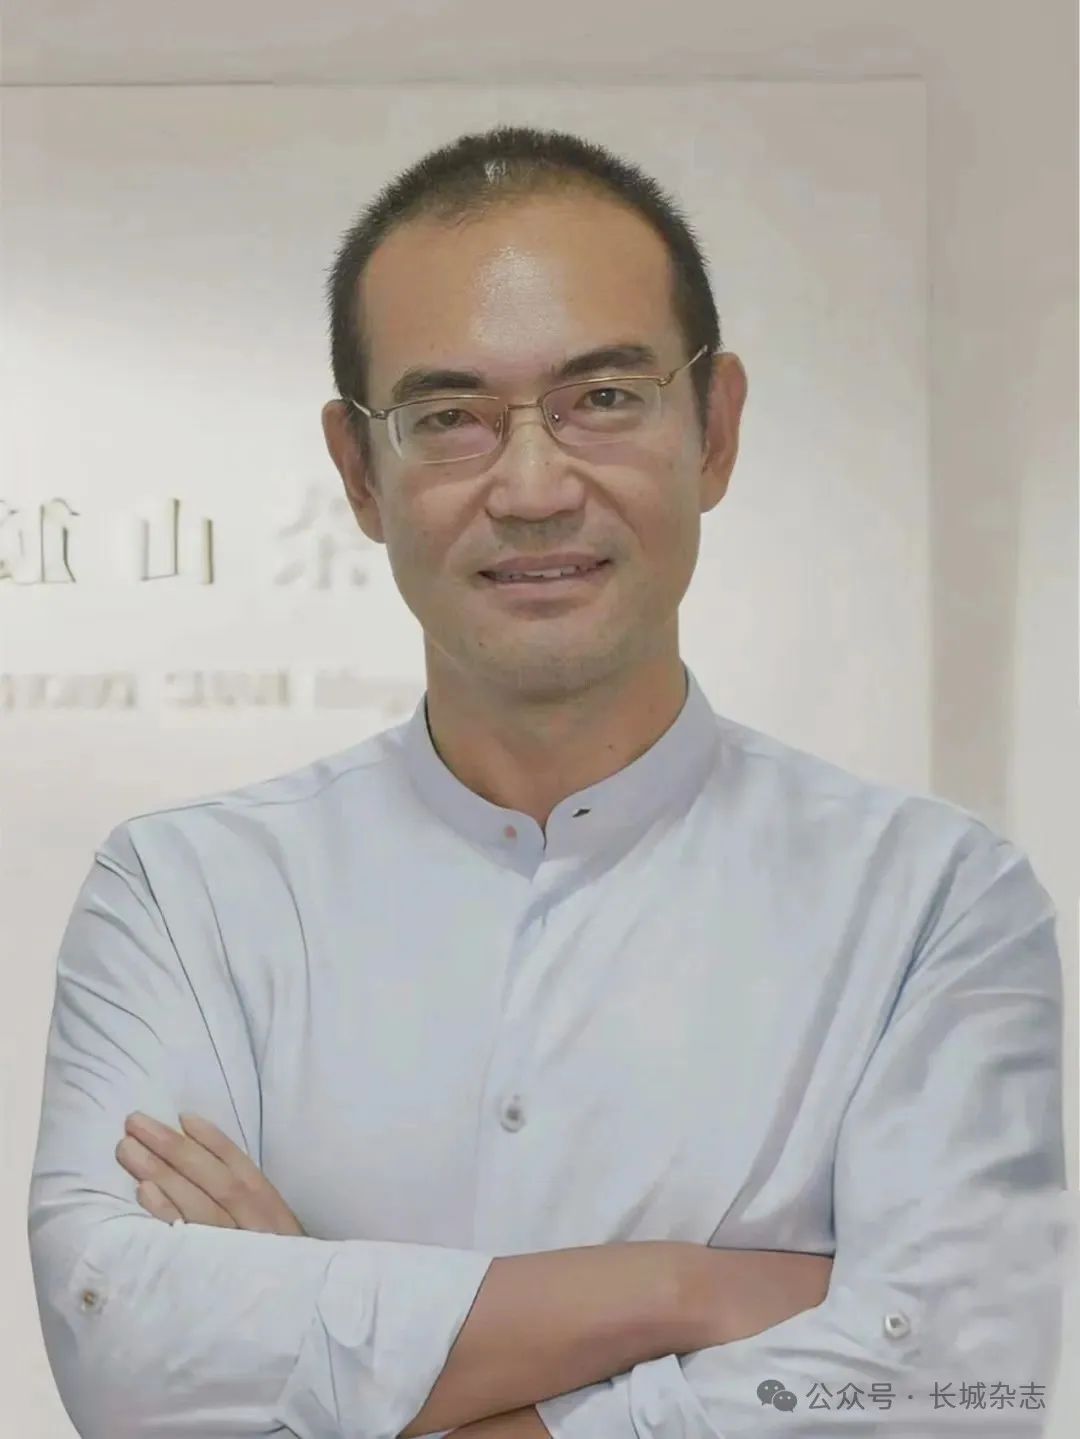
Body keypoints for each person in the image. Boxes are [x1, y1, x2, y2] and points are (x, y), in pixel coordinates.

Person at [28, 124, 1068, 1439]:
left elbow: (961, 1388)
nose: (531, 486)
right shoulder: (186, 896)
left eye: (605, 399)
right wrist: (689, 1291)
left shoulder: (935, 904)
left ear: (716, 430)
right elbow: (126, 1348)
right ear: (358, 473)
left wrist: (344, 1349)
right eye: (449, 418)